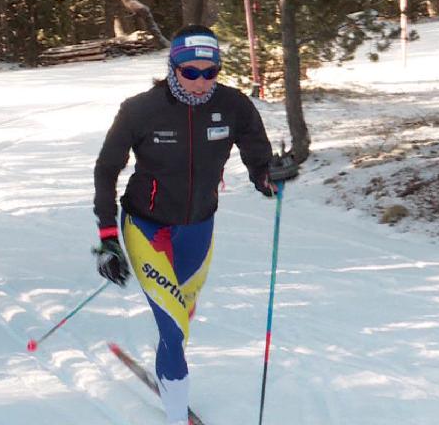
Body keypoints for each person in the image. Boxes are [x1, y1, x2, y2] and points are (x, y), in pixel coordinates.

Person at [92, 24, 291, 425]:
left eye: (210, 72)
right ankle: (175, 413)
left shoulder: (234, 106)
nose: (201, 82)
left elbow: (259, 161)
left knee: (178, 327)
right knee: (172, 326)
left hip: (199, 229)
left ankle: (169, 366)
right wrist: (108, 235)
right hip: (146, 227)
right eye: (191, 72)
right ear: (173, 68)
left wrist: (270, 178)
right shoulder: (140, 110)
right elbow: (107, 169)